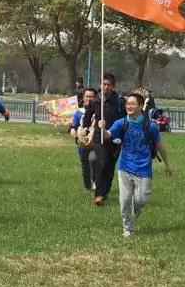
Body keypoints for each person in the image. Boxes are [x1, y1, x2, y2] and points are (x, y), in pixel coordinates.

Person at [98, 92, 172, 237]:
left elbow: (160, 146)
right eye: (127, 104)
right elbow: (108, 135)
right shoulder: (121, 123)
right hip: (125, 167)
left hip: (144, 169)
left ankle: (131, 219)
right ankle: (128, 228)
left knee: (141, 200)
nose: (129, 106)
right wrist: (102, 129)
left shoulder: (150, 126)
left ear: (140, 106)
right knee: (125, 200)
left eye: (132, 104)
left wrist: (167, 165)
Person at [82, 72, 125, 206]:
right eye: (103, 84)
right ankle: (99, 195)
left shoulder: (119, 102)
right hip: (99, 137)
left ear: (113, 86)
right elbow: (87, 117)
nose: (106, 87)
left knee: (110, 166)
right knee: (102, 162)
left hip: (115, 138)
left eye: (108, 85)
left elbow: (125, 119)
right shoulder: (96, 101)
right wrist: (85, 129)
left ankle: (104, 192)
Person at [70, 87, 98, 192]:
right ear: (83, 97)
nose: (89, 99)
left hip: (96, 142)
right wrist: (73, 130)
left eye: (92, 96)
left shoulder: (99, 112)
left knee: (94, 160)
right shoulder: (79, 112)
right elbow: (74, 125)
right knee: (85, 164)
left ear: (96, 98)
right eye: (87, 96)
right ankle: (87, 186)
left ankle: (95, 181)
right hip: (82, 142)